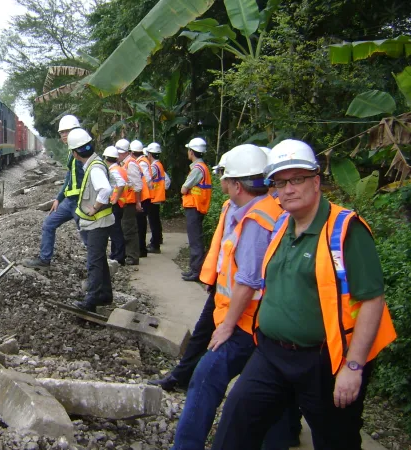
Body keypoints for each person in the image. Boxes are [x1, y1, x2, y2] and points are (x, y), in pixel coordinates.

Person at [212, 139, 397, 450]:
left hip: (324, 361)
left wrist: (354, 366)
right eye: (280, 183)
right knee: (235, 426)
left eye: (297, 179)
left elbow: (372, 301)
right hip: (271, 354)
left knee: (336, 440)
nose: (288, 189)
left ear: (315, 181)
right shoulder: (282, 224)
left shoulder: (346, 230)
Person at [170, 145, 284, 450]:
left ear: (236, 184)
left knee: (207, 378)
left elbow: (248, 280)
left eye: (227, 179)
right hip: (253, 320)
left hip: (247, 323)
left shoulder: (257, 219)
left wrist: (227, 325)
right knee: (274, 399)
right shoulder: (261, 210)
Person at [149, 150, 231, 392]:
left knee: (195, 242)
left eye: (224, 175)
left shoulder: (257, 214)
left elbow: (186, 186)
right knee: (201, 335)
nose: (221, 180)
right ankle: (182, 376)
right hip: (220, 289)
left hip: (232, 300)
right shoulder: (232, 207)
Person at [24, 115, 85, 269]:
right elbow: (69, 179)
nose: (64, 135)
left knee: (88, 237)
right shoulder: (72, 152)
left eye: (67, 131)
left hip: (81, 202)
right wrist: (58, 198)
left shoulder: (83, 152)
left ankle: (97, 274)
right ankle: (44, 260)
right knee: (49, 224)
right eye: (62, 132)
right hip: (70, 201)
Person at [69, 129, 114, 313]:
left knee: (94, 261)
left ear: (74, 153)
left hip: (98, 222)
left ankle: (92, 300)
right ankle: (105, 294)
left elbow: (105, 190)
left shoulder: (94, 168)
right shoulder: (95, 164)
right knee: (100, 259)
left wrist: (94, 208)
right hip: (98, 222)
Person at [180, 137, 212, 282]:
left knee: (195, 240)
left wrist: (185, 189)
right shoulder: (201, 168)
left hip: (195, 206)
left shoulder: (197, 169)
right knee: (196, 239)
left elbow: (184, 189)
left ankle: (196, 271)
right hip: (197, 206)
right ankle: (195, 269)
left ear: (191, 152)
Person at [114, 138, 143, 265]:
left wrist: (137, 202)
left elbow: (137, 185)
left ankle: (132, 256)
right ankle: (128, 254)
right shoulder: (123, 163)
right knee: (124, 228)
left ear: (125, 152)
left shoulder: (130, 164)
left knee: (129, 229)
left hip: (130, 202)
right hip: (125, 202)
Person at [143, 142, 169, 254]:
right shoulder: (159, 165)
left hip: (154, 197)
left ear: (150, 154)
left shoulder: (154, 166)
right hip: (157, 196)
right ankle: (156, 241)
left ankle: (155, 244)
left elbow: (147, 178)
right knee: (155, 221)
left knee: (153, 221)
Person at [103, 146, 127, 264]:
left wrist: (115, 199)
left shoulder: (113, 170)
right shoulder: (120, 168)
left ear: (106, 158)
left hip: (116, 204)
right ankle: (115, 254)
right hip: (120, 203)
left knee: (115, 231)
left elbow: (121, 184)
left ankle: (119, 257)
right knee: (115, 230)